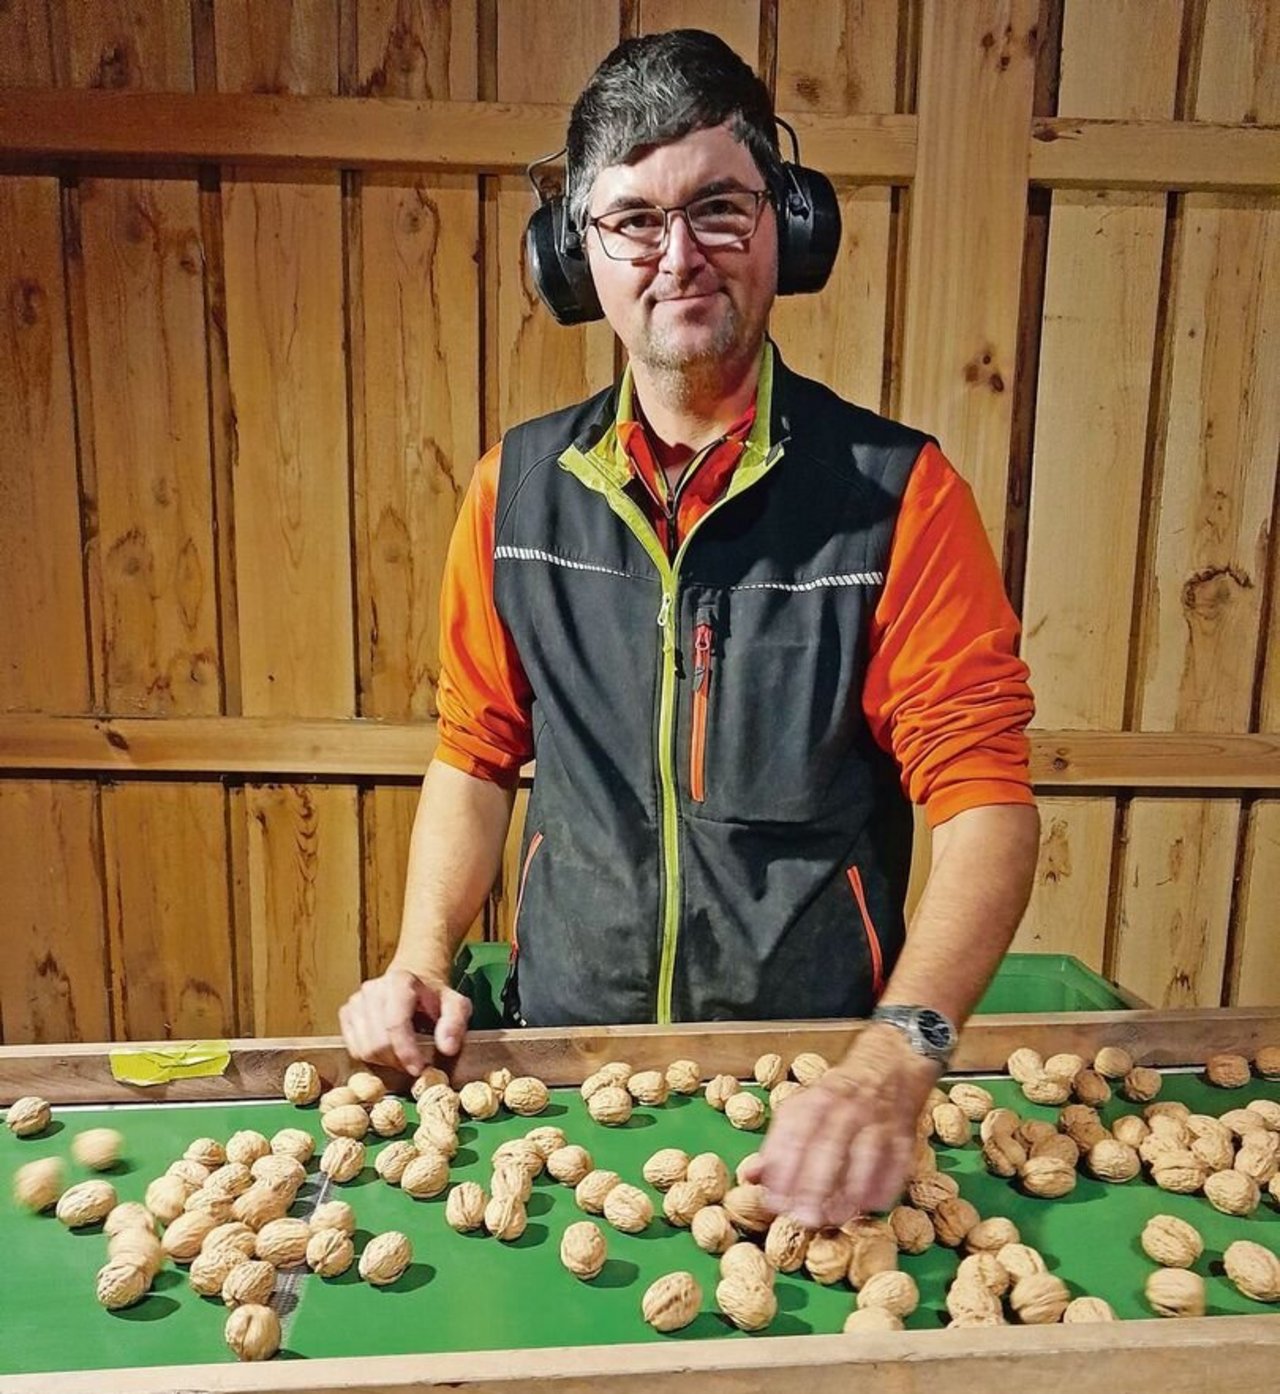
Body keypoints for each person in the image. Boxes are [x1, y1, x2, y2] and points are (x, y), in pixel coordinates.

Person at [340, 29, 1040, 1229]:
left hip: (813, 1095)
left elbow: (985, 805)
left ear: (786, 226)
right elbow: (474, 753)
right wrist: (419, 958)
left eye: (719, 207)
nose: (679, 258)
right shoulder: (511, 495)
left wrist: (899, 1053)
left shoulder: (899, 496)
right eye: (631, 222)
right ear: (578, 256)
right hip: (561, 1074)